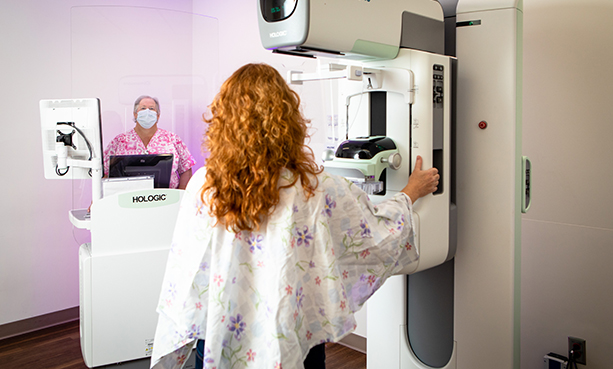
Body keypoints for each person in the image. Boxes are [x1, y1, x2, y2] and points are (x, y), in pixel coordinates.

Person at [150, 64, 439, 369]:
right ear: (287, 120)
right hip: (293, 338)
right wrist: (409, 192)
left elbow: (185, 270)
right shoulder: (313, 188)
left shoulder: (202, 185)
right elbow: (373, 230)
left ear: (223, 119)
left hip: (219, 338)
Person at [103, 95, 195, 189]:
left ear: (158, 115)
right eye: (143, 108)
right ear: (135, 114)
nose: (147, 112)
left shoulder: (172, 139)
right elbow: (105, 172)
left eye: (151, 109)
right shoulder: (119, 142)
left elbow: (186, 169)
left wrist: (180, 196)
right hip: (127, 200)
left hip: (166, 199)